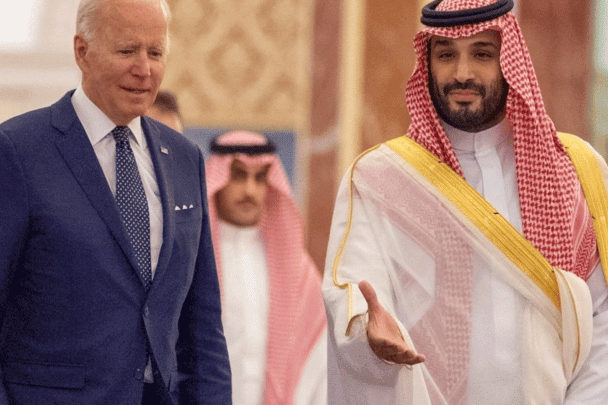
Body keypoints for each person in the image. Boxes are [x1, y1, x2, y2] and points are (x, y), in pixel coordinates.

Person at [322, 0, 608, 404]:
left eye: (482, 54)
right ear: (427, 63)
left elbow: (602, 319)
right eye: (446, 55)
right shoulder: (381, 178)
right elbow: (353, 287)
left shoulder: (575, 169)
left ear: (509, 61)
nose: (462, 73)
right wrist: (365, 332)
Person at [0, 0, 231, 404]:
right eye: (127, 51)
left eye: (155, 52)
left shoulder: (184, 158)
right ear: (82, 52)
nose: (144, 69)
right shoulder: (18, 150)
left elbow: (203, 324)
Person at [205, 131, 327, 405]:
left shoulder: (295, 268)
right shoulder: (193, 259)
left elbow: (318, 356)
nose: (250, 190)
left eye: (260, 178)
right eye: (238, 176)